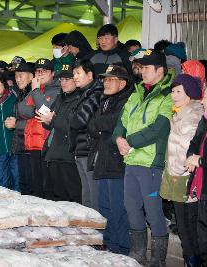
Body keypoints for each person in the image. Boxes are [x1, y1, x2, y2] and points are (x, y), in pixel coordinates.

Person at [112, 50, 175, 266]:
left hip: (151, 164)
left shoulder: (168, 94)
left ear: (160, 70)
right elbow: (121, 120)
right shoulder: (137, 92)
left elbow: (160, 128)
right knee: (131, 207)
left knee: (153, 211)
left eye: (147, 67)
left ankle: (158, 260)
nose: (143, 71)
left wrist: (129, 141)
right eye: (142, 67)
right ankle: (138, 254)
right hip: (131, 160)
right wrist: (118, 137)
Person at [159, 74, 204, 267]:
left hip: (188, 176)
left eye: (179, 91)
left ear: (191, 94)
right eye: (172, 91)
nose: (173, 95)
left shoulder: (194, 115)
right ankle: (189, 257)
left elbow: (189, 146)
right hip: (176, 174)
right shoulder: (178, 112)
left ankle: (194, 259)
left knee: (191, 223)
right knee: (183, 224)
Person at [88, 65, 133, 255]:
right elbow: (91, 125)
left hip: (117, 162)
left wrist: (101, 126)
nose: (105, 83)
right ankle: (109, 243)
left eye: (110, 79)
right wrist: (101, 126)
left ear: (122, 83)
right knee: (105, 205)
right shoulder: (105, 100)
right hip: (103, 158)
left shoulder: (128, 100)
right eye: (105, 79)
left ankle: (121, 248)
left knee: (118, 208)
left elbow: (113, 123)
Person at [36, 62, 82, 203]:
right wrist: (46, 120)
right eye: (61, 79)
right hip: (54, 152)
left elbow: (73, 125)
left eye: (67, 79)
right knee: (57, 196)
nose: (63, 83)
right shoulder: (60, 97)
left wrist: (52, 120)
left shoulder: (80, 98)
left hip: (68, 154)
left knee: (72, 196)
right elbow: (50, 125)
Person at [18, 58, 60, 197]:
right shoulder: (35, 90)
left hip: (47, 144)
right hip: (33, 144)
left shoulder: (57, 90)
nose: (40, 74)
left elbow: (46, 112)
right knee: (36, 187)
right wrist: (34, 110)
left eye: (44, 71)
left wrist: (36, 92)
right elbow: (21, 109)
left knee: (48, 188)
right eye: (37, 71)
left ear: (53, 73)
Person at [69, 59, 103, 210]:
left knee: (93, 194)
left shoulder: (96, 93)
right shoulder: (83, 93)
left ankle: (96, 229)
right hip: (81, 148)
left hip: (90, 149)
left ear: (89, 74)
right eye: (73, 74)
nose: (74, 77)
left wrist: (70, 118)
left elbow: (79, 121)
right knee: (86, 193)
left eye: (78, 73)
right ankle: (89, 227)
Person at [9, 62, 35, 195]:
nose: (18, 79)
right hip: (21, 144)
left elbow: (38, 122)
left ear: (31, 77)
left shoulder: (35, 94)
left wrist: (16, 124)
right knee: (23, 183)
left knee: (31, 184)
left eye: (21, 76)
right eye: (16, 76)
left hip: (32, 147)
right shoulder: (21, 94)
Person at [186, 110, 207, 267]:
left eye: (206, 96)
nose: (202, 100)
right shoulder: (204, 120)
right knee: (201, 235)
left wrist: (200, 160)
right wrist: (191, 155)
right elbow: (194, 143)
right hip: (200, 186)